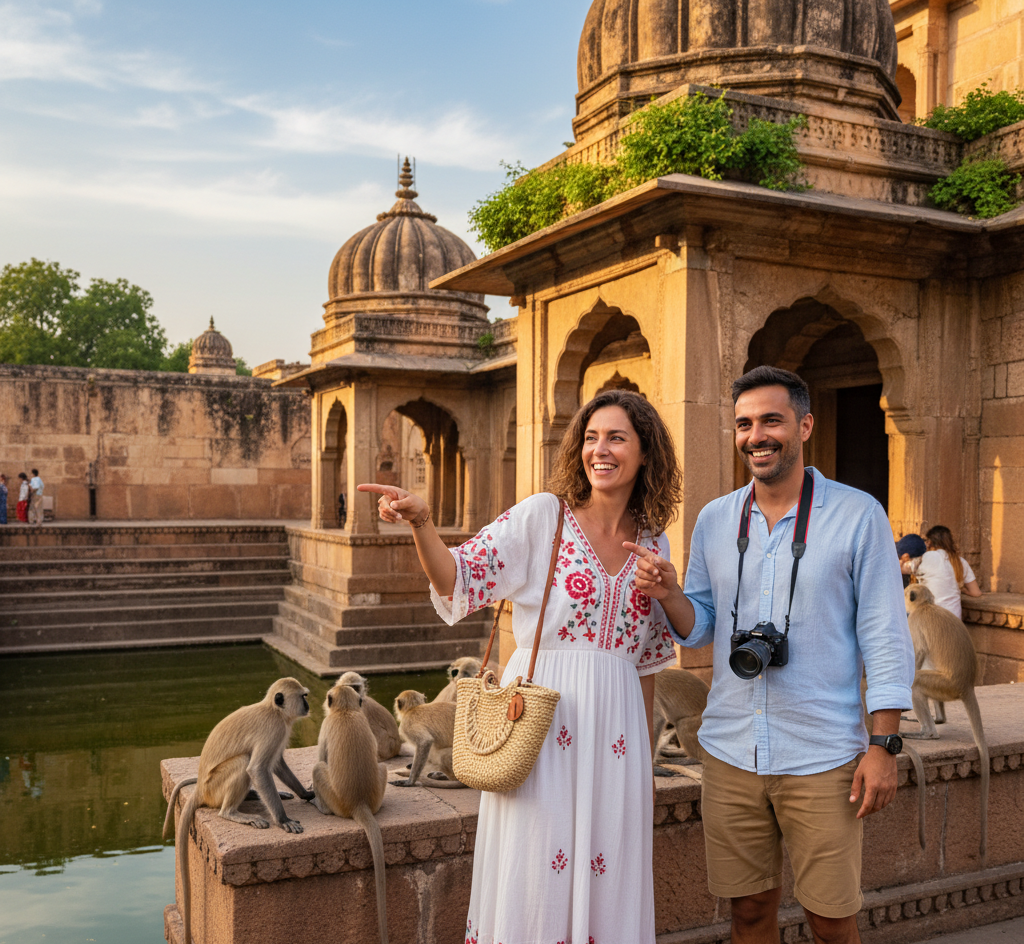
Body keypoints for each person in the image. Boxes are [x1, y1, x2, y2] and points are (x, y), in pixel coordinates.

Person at [358, 389, 682, 943]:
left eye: (616, 438)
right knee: (537, 873)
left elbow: (646, 660)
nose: (599, 450)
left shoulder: (653, 540)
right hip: (541, 730)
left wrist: (643, 765)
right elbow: (457, 578)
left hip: (617, 739)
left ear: (645, 451)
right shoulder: (544, 518)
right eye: (590, 437)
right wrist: (421, 523)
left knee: (611, 875)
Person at [630, 366, 915, 944]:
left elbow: (885, 637)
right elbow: (700, 628)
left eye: (771, 421)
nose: (756, 435)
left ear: (804, 425)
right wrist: (670, 595)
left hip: (822, 753)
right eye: (744, 424)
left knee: (832, 919)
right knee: (750, 914)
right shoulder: (715, 519)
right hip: (732, 750)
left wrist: (884, 745)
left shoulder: (858, 516)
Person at [901, 525, 981, 619]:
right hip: (955, 620)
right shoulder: (961, 562)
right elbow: (976, 592)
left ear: (929, 542)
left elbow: (902, 568)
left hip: (931, 619)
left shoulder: (926, 557)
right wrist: (962, 590)